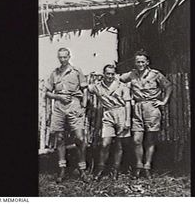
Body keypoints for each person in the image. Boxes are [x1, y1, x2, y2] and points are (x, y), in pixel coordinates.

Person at [120, 50, 172, 179]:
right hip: (137, 108)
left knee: (150, 139)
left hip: (152, 108)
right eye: (138, 61)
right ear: (135, 62)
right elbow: (118, 79)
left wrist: (163, 101)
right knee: (137, 140)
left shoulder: (155, 74)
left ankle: (147, 167)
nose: (140, 64)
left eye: (142, 61)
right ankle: (138, 166)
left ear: (147, 62)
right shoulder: (131, 74)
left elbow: (169, 86)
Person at [45, 47, 88, 183]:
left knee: (80, 138)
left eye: (65, 57)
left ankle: (82, 168)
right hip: (59, 106)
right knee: (59, 137)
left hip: (74, 105)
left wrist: (84, 107)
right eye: (60, 57)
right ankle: (62, 168)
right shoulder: (54, 73)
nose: (63, 60)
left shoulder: (76, 71)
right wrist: (58, 96)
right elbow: (47, 92)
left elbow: (85, 90)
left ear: (69, 56)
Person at [88, 64, 131, 181]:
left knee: (119, 144)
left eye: (112, 74)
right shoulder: (98, 86)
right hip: (108, 114)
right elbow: (85, 87)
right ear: (104, 74)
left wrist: (127, 120)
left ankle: (115, 170)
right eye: (108, 74)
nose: (110, 76)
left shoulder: (122, 86)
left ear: (115, 74)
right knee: (105, 143)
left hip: (121, 113)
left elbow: (127, 103)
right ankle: (100, 169)